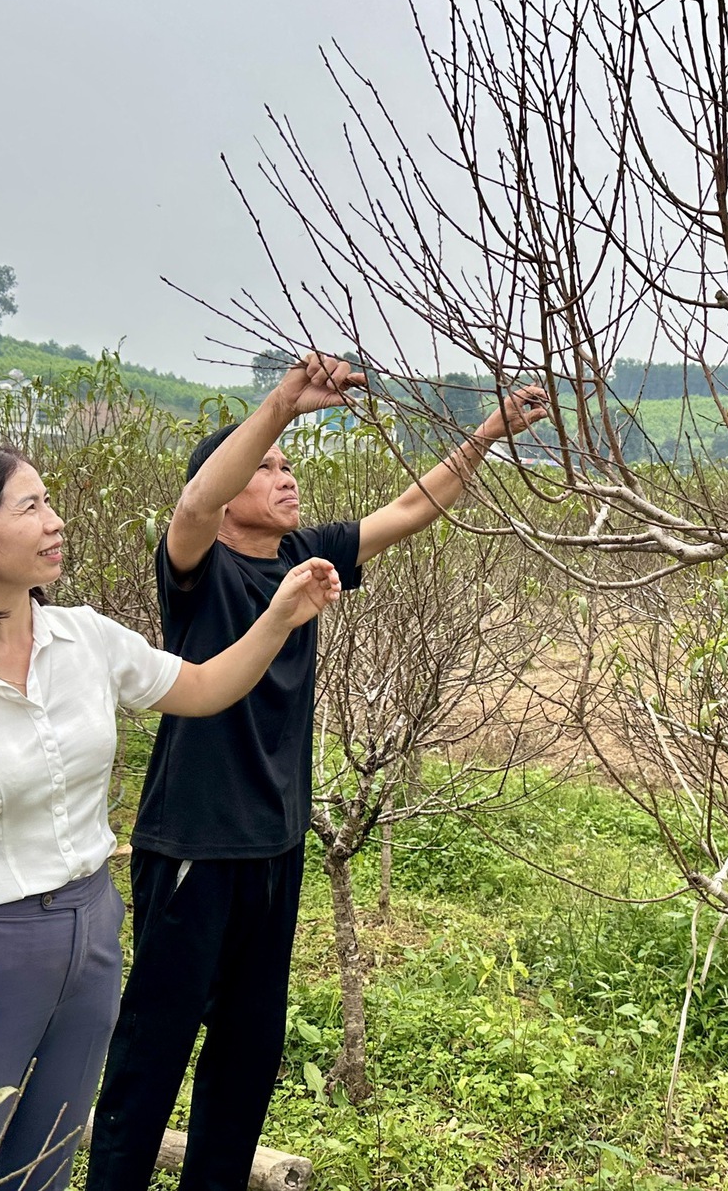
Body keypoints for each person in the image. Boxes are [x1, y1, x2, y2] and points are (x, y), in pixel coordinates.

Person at [86, 354, 547, 1191]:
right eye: (263, 469)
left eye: (288, 465)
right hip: (194, 840)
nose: (284, 474)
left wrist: (487, 435)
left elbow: (412, 507)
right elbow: (191, 505)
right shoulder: (197, 569)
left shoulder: (302, 555)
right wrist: (283, 409)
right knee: (154, 1045)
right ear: (225, 492)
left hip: (275, 845)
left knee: (250, 1049)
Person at [0, 444, 345, 1191]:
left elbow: (203, 686)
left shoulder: (84, 638)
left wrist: (280, 616)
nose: (56, 523)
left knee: (47, 1166)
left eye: (49, 502)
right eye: (29, 508)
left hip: (92, 937)